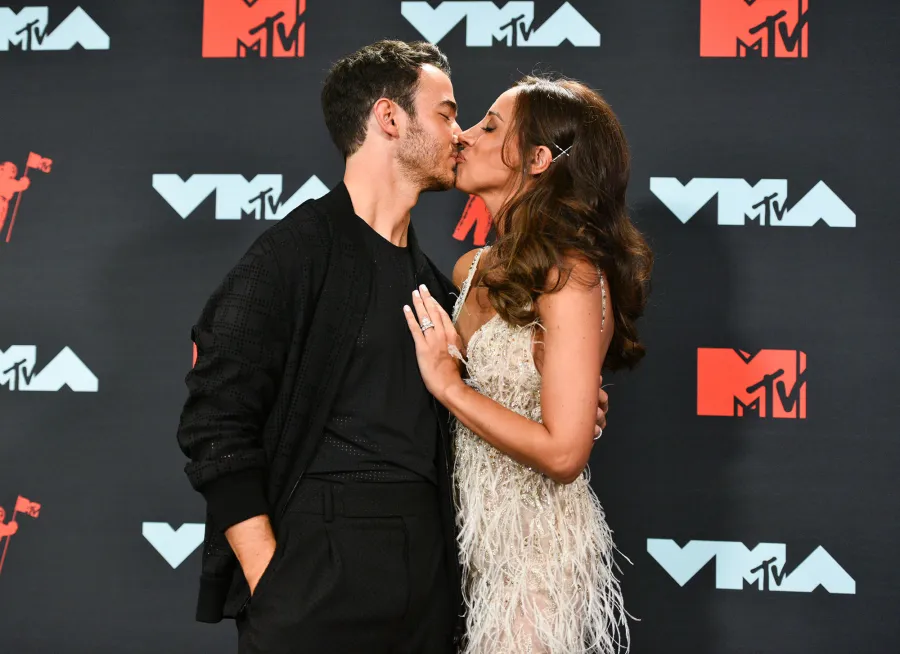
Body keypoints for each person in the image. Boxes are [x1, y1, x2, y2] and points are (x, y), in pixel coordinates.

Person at [175, 42, 609, 654]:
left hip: (432, 583)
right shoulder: (293, 254)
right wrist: (269, 577)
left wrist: (565, 397)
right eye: (447, 114)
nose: (460, 134)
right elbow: (214, 420)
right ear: (389, 119)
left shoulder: (439, 283)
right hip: (316, 577)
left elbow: (490, 395)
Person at [404, 76, 652, 653]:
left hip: (532, 561)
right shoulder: (470, 271)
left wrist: (449, 385)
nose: (463, 137)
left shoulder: (572, 276)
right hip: (460, 546)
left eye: (489, 126)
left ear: (539, 159)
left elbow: (564, 454)